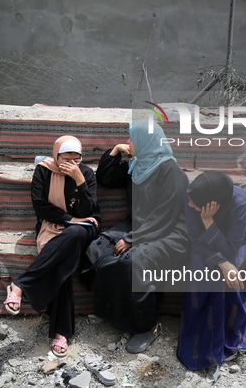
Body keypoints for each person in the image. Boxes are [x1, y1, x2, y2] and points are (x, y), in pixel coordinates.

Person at [87, 120, 189, 354]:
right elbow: (105, 177)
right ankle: (114, 311)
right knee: (99, 248)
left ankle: (147, 326)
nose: (129, 142)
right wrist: (115, 151)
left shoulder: (171, 171)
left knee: (133, 261)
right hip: (140, 226)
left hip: (170, 232)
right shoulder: (138, 165)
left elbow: (166, 215)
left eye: (132, 138)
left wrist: (133, 238)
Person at [3, 135, 100, 358]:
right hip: (52, 226)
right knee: (62, 264)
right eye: (66, 159)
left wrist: (79, 180)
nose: (72, 164)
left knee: (75, 233)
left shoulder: (85, 173)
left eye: (77, 159)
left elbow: (88, 211)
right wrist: (69, 219)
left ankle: (20, 285)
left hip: (86, 227)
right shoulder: (43, 170)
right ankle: (61, 333)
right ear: (56, 156)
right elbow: (40, 206)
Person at [176, 171, 246, 383]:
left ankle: (232, 334)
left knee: (231, 275)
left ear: (213, 203)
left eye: (196, 204)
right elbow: (196, 240)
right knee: (203, 268)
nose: (190, 204)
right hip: (205, 244)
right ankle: (202, 341)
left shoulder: (240, 202)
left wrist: (208, 221)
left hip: (242, 243)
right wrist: (221, 263)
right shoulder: (192, 199)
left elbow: (232, 250)